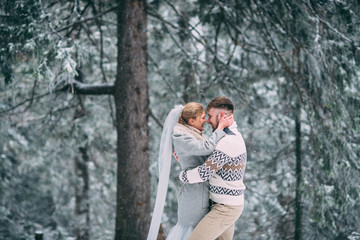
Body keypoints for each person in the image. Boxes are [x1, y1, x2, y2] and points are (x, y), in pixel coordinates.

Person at [179, 97, 247, 240]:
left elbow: (204, 173)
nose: (208, 120)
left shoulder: (228, 142)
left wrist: (183, 176)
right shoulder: (227, 137)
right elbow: (211, 161)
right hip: (225, 205)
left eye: (210, 116)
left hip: (225, 208)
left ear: (222, 116)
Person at [166, 102, 233, 240]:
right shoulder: (182, 136)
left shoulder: (190, 133)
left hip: (200, 193)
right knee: (193, 233)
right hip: (193, 198)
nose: (206, 121)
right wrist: (220, 127)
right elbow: (206, 148)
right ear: (192, 120)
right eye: (202, 117)